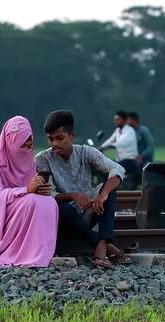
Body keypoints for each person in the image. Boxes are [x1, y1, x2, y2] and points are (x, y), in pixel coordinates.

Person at [35, 110, 132, 268]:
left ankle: (101, 247)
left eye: (60, 138)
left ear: (71, 136)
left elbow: (117, 169)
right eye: (50, 139)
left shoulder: (86, 152)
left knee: (108, 190)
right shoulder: (43, 159)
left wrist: (104, 194)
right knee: (63, 209)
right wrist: (73, 196)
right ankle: (105, 248)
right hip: (62, 219)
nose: (54, 144)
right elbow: (47, 194)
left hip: (87, 212)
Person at [0, 116, 58, 267]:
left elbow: (31, 190)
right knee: (32, 202)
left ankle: (39, 253)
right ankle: (22, 254)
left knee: (49, 202)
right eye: (22, 147)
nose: (26, 151)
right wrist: (26, 190)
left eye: (29, 147)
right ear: (10, 143)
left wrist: (40, 190)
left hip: (21, 205)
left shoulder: (30, 163)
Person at [99, 110, 139, 180]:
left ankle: (111, 188)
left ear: (124, 120)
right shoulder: (117, 130)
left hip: (130, 161)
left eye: (118, 119)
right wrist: (101, 147)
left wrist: (109, 147)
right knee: (103, 168)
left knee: (111, 169)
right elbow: (110, 140)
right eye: (115, 119)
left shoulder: (130, 131)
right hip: (120, 160)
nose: (115, 121)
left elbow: (122, 143)